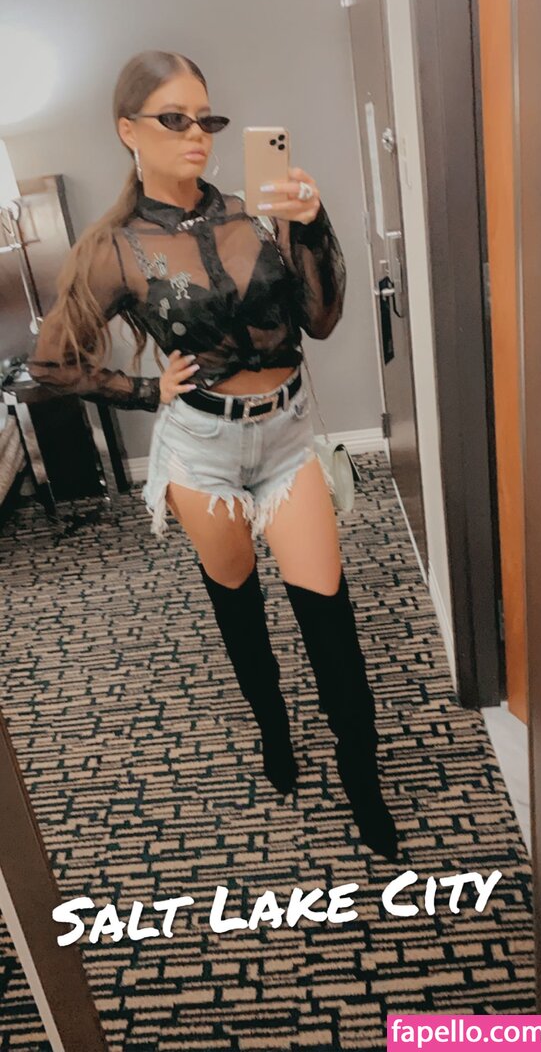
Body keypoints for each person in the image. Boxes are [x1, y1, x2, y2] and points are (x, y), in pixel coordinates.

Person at [28, 50, 398, 862]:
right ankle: (274, 732)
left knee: (328, 614)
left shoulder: (255, 216)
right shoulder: (115, 248)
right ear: (128, 130)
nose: (196, 133)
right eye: (174, 118)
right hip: (201, 449)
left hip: (286, 433)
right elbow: (50, 364)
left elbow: (321, 319)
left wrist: (312, 220)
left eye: (207, 118)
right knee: (240, 607)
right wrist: (141, 391)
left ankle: (361, 775)